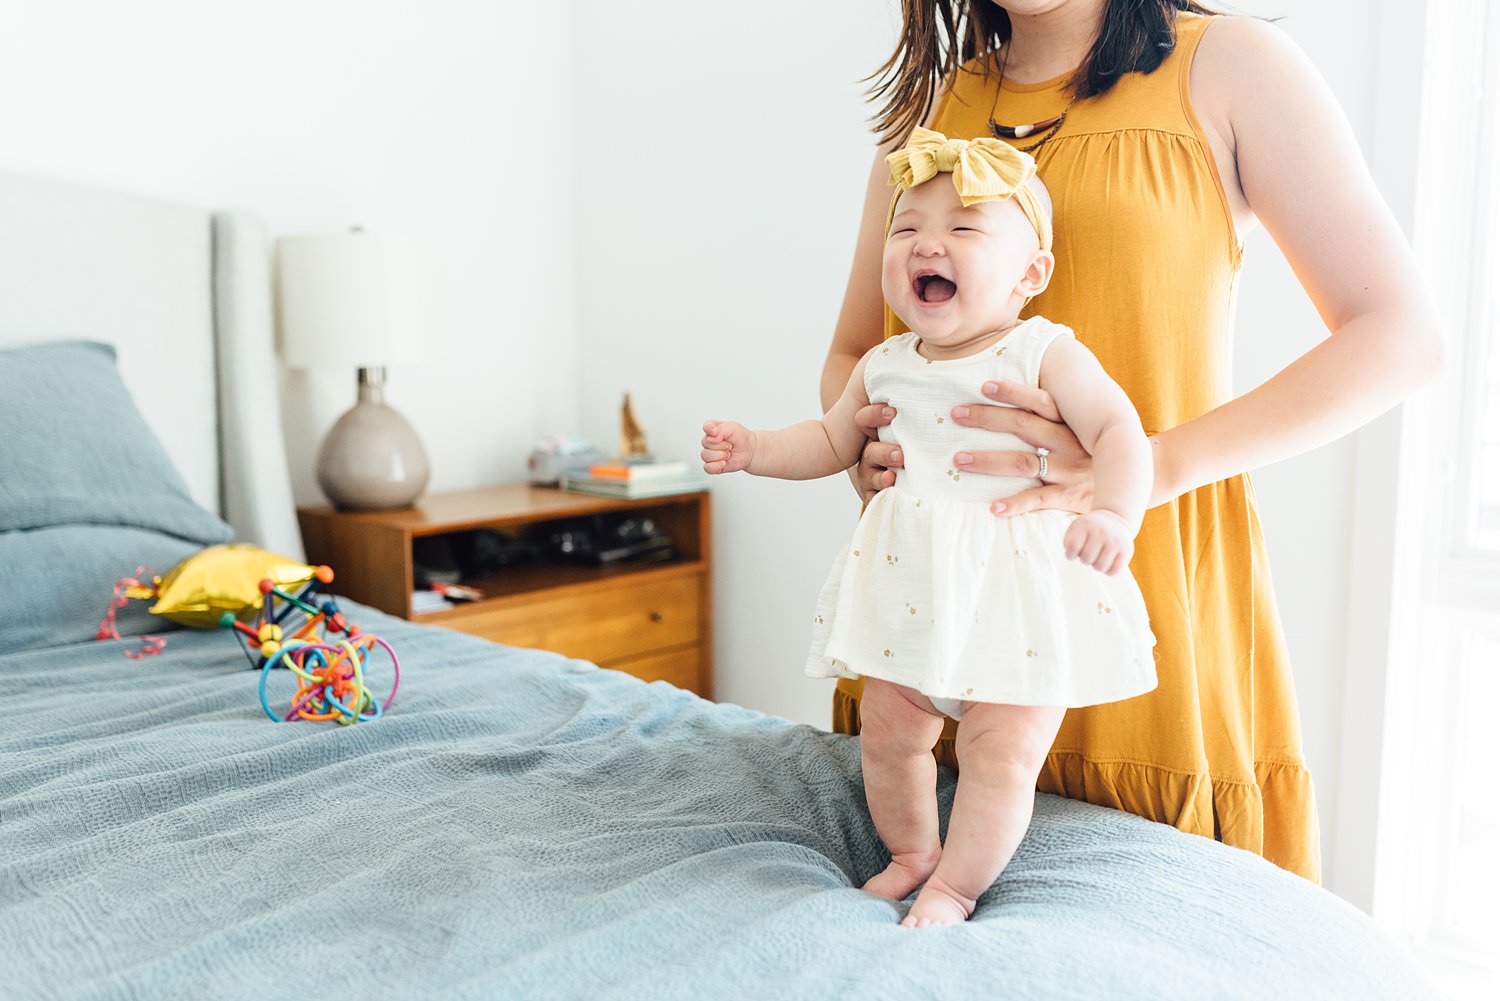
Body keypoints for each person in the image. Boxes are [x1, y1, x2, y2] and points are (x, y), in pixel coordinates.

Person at [822, 0, 1444, 884]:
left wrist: (1144, 467)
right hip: (928, 628)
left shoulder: (1234, 66)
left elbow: (1401, 336)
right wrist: (861, 450)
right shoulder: (935, 109)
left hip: (1137, 599)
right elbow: (854, 353)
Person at [702, 130, 1158, 926]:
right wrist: (756, 449)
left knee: (1000, 753)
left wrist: (1117, 512)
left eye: (964, 229)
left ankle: (957, 884)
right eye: (908, 227)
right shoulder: (884, 362)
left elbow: (1120, 433)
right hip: (913, 596)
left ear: (1030, 275)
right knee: (889, 732)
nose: (928, 243)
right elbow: (831, 440)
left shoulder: (1042, 352)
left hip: (1013, 603)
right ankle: (912, 850)